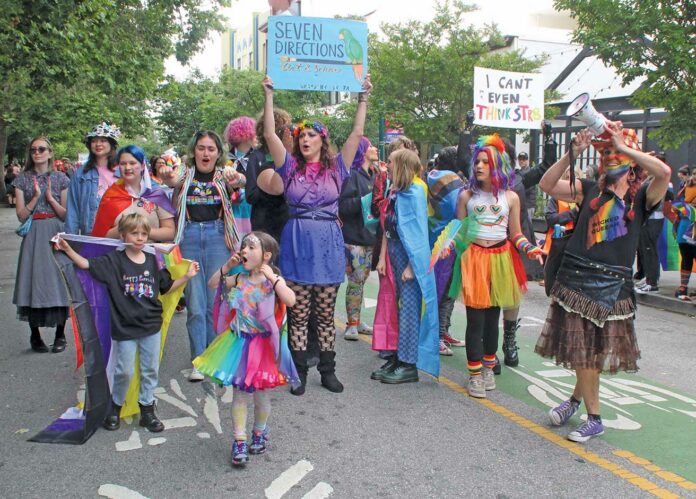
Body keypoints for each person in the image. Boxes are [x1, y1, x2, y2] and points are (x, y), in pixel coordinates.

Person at [535, 123, 670, 443]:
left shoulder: (642, 198)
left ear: (631, 161)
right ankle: (575, 402)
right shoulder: (589, 189)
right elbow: (546, 184)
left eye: (615, 152)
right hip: (578, 279)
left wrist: (624, 147)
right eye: (606, 152)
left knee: (589, 353)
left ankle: (593, 418)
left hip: (613, 287)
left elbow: (664, 172)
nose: (610, 156)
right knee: (585, 351)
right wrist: (573, 154)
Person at [256, 74, 372, 395]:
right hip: (296, 242)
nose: (305, 139)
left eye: (311, 134)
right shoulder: (289, 167)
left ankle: (328, 370)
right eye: (301, 135)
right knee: (298, 312)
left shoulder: (337, 169)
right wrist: (269, 95)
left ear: (323, 140)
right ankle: (300, 373)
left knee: (324, 313)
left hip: (328, 246)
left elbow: (357, 133)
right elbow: (268, 133)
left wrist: (362, 99)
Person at [56, 213, 200, 432]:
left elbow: (165, 288)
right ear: (123, 235)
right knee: (124, 371)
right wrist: (68, 250)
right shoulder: (114, 261)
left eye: (144, 233)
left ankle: (147, 409)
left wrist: (187, 276)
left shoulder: (153, 260)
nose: (140, 238)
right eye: (134, 233)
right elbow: (86, 264)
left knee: (150, 369)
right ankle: (116, 406)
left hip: (151, 326)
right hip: (124, 327)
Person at [193, 231, 298, 466]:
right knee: (239, 395)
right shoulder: (239, 278)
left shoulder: (273, 282)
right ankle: (239, 440)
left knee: (261, 397)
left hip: (263, 348)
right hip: (239, 343)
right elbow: (212, 284)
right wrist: (226, 266)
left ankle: (259, 432)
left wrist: (274, 278)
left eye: (251, 247)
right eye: (244, 247)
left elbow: (290, 300)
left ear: (267, 255)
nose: (244, 251)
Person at [453, 134, 543, 398]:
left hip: (502, 260)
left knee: (493, 320)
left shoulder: (511, 198)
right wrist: (450, 245)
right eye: (477, 162)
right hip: (474, 261)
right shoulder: (466, 196)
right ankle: (474, 374)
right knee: (475, 321)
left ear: (498, 166)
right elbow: (459, 232)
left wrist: (530, 248)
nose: (479, 166)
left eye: (485, 162)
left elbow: (516, 234)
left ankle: (488, 366)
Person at [159, 131, 244, 381]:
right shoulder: (184, 175)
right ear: (193, 151)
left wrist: (238, 177)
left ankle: (215, 358)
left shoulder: (224, 175)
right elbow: (171, 180)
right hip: (190, 236)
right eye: (201, 148)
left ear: (218, 153)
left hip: (218, 236)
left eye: (211, 149)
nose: (206, 153)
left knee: (215, 302)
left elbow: (242, 182)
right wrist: (166, 175)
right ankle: (198, 358)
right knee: (196, 305)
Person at [372, 149, 440, 383]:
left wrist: (412, 266)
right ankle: (395, 357)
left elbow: (419, 233)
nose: (386, 165)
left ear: (400, 165)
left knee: (410, 309)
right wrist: (382, 257)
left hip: (409, 257)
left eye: (389, 162)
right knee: (393, 309)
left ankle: (409, 364)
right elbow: (386, 228)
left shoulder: (415, 192)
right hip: (393, 254)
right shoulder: (395, 191)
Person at [13, 137, 71, 353]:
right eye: (33, 149)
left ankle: (60, 334)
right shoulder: (22, 179)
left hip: (56, 231)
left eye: (41, 149)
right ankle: (35, 335)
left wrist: (50, 199)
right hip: (34, 232)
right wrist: (36, 197)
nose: (37, 152)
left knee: (59, 279)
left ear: (49, 152)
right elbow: (20, 216)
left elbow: (66, 214)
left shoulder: (61, 178)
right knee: (33, 279)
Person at [426, 148, 466, 356]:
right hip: (447, 241)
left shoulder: (430, 176)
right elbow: (459, 211)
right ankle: (437, 335)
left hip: (432, 238)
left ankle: (441, 332)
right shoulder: (454, 183)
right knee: (444, 290)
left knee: (440, 290)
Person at [91, 145, 176, 242]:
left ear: (142, 166)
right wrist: (121, 229)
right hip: (117, 255)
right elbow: (99, 235)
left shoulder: (156, 194)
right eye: (123, 164)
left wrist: (140, 230)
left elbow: (170, 233)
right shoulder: (111, 195)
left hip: (150, 254)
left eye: (132, 163)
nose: (127, 167)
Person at [338, 137, 378, 340]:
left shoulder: (373, 175)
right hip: (353, 237)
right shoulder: (352, 176)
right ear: (362, 150)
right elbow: (342, 206)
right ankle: (351, 323)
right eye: (370, 146)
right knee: (355, 281)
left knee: (362, 280)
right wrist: (366, 200)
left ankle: (358, 319)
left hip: (369, 236)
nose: (375, 148)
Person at [65, 122, 121, 234]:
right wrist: (71, 240)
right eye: (94, 141)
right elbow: (72, 210)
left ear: (111, 144)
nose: (98, 144)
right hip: (91, 234)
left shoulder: (124, 170)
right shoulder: (81, 174)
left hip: (119, 235)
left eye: (103, 140)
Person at [246, 108, 292, 243]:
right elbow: (251, 195)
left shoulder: (290, 156)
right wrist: (269, 185)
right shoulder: (257, 157)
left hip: (286, 220)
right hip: (264, 223)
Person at [673, 167, 696, 300]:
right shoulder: (686, 186)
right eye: (694, 174)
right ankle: (683, 286)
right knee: (686, 255)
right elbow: (677, 204)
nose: (695, 176)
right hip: (685, 224)